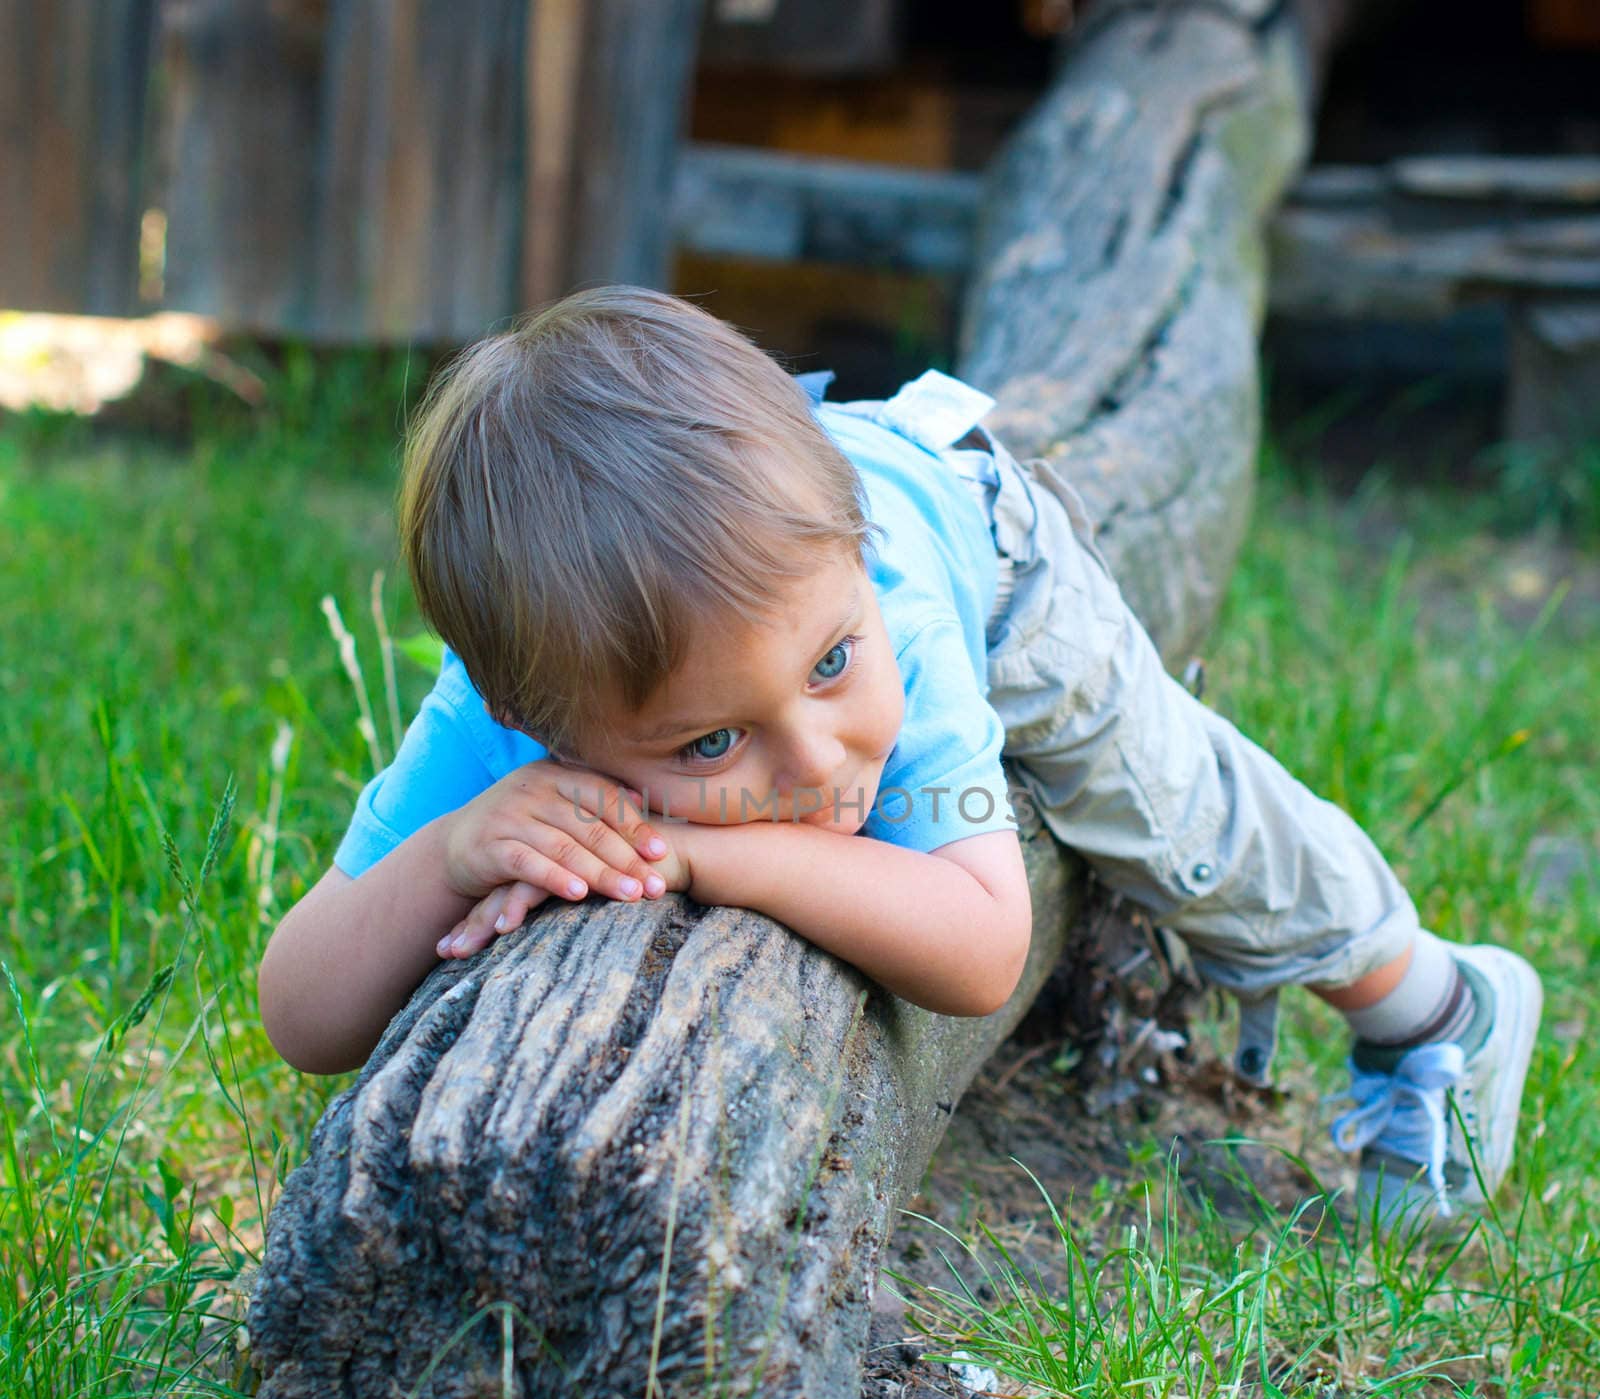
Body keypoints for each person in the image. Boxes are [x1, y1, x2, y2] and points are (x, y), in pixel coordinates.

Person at [257, 286, 1541, 1231]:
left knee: (1167, 809)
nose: (820, 757)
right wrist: (446, 854)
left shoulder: (894, 632)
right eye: (710, 740)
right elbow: (300, 1010)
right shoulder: (512, 692)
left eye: (827, 671)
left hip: (982, 548)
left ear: (852, 578)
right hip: (830, 542)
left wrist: (709, 844)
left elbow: (979, 947)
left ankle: (1431, 1005)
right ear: (533, 713)